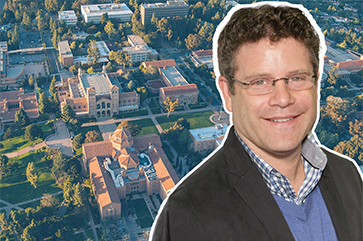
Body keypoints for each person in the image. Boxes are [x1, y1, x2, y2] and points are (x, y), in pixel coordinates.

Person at [150, 2, 363, 240]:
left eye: (296, 78)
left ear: (316, 83)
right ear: (228, 92)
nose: (283, 98)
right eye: (260, 82)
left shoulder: (348, 177)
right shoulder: (188, 216)